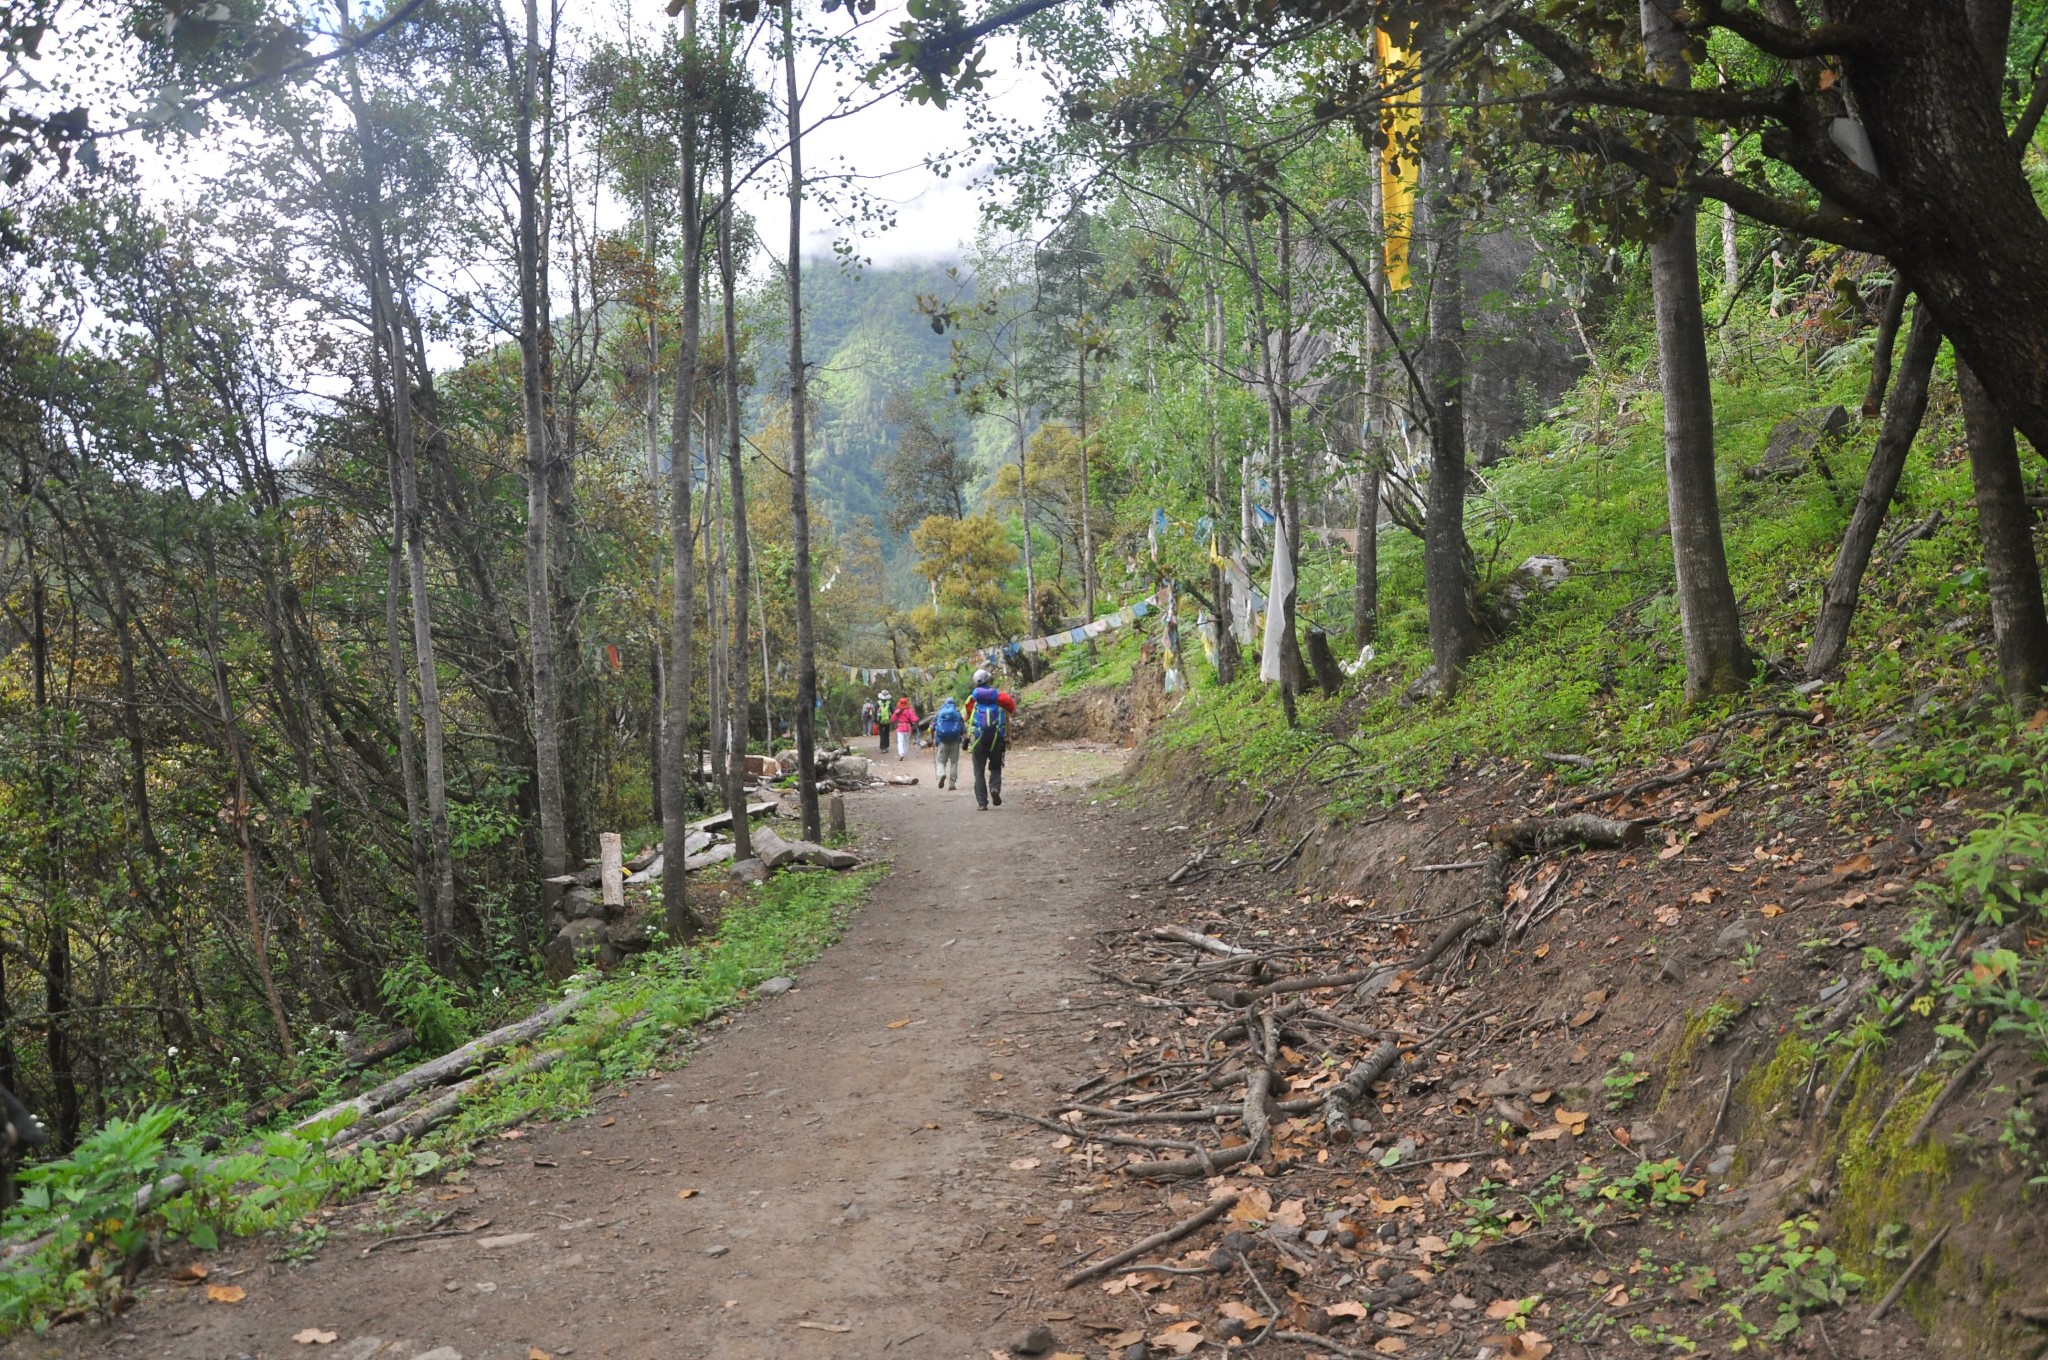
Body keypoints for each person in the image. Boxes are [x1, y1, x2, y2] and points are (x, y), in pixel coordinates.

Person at [964, 668, 1016, 810]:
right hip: (996, 739)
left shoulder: (972, 699)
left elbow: (965, 717)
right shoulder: (1000, 697)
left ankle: (982, 803)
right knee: (995, 767)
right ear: (990, 680)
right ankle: (994, 789)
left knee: (979, 771)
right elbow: (1011, 710)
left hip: (978, 739)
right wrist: (1008, 737)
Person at [932, 695, 965, 789]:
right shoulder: (957, 713)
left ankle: (941, 774)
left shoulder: (939, 713)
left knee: (940, 761)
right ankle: (952, 784)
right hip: (955, 741)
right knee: (954, 763)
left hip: (942, 741)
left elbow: (932, 727)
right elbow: (963, 729)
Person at [890, 694, 918, 761]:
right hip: (908, 728)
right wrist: (917, 719)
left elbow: (892, 719)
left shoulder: (897, 711)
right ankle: (905, 754)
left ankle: (901, 753)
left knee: (900, 741)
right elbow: (914, 719)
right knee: (906, 741)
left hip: (900, 727)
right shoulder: (909, 711)